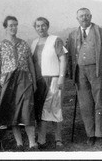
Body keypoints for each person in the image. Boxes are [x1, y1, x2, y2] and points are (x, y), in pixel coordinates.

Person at [67, 8, 102, 146]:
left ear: (91, 16)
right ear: (77, 18)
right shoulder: (72, 34)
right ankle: (90, 134)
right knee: (85, 105)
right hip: (80, 72)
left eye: (87, 15)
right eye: (81, 16)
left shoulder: (100, 32)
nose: (84, 18)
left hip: (97, 70)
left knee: (98, 102)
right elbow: (70, 56)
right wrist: (71, 74)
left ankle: (99, 134)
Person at [0, 16, 38, 151]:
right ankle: (19, 143)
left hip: (24, 80)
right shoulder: (1, 45)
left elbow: (30, 64)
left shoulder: (24, 44)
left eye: (15, 25)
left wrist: (34, 82)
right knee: (12, 113)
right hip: (8, 82)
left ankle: (32, 143)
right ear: (5, 28)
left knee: (27, 111)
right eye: (11, 25)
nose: (13, 28)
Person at [31, 17, 68, 150]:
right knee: (40, 110)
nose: (41, 28)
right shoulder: (34, 43)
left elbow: (63, 59)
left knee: (55, 108)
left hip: (53, 79)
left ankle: (58, 139)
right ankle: (42, 139)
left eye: (43, 25)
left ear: (48, 26)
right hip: (39, 81)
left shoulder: (55, 40)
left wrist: (61, 78)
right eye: (38, 26)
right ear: (35, 28)